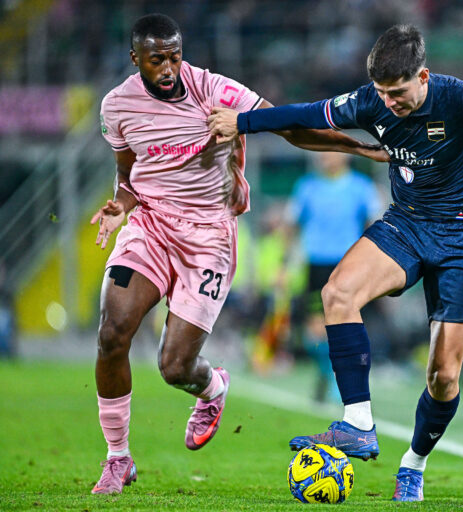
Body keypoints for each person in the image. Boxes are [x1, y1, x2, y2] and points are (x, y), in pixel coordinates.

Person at [208, 24, 463, 502]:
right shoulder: (370, 101)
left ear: (423, 75)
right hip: (408, 224)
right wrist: (243, 121)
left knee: (443, 376)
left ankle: (413, 463)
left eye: (398, 93)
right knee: (337, 293)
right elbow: (303, 116)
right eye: (382, 93)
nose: (389, 103)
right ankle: (358, 423)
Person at [90, 13, 386, 495]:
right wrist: (120, 203)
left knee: (174, 368)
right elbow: (127, 169)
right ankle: (118, 458)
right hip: (150, 225)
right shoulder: (117, 105)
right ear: (135, 58)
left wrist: (358, 149)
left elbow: (289, 125)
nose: (168, 68)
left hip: (208, 234)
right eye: (156, 59)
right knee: (112, 332)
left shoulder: (215, 91)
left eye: (174, 56)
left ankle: (211, 389)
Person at [289, 151, 381, 402]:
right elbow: (293, 225)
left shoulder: (361, 187)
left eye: (331, 150)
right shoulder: (306, 187)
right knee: (315, 330)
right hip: (316, 263)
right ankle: (327, 372)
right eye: (323, 150)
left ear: (345, 155)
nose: (325, 155)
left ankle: (343, 378)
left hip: (348, 263)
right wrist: (284, 264)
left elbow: (375, 223)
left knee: (346, 324)